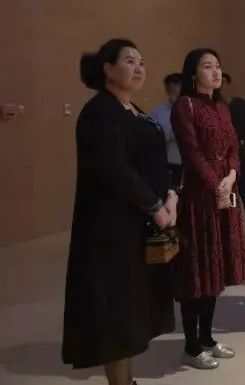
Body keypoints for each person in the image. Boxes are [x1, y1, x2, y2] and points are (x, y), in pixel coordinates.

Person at [62, 39, 176, 385]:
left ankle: (128, 380)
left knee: (130, 308)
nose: (139, 67)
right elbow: (115, 169)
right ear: (107, 69)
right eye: (129, 61)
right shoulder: (101, 111)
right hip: (110, 229)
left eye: (141, 61)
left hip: (134, 225)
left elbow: (151, 161)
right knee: (114, 311)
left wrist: (170, 195)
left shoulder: (132, 109)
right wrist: (155, 206)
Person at [171, 49, 245, 369]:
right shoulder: (185, 105)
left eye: (218, 66)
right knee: (197, 270)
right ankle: (191, 345)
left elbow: (233, 148)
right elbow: (192, 153)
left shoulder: (222, 106)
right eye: (207, 66)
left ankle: (207, 337)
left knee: (216, 270)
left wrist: (230, 177)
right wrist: (216, 184)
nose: (215, 72)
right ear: (193, 73)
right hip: (199, 197)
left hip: (225, 191)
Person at [220, 72, 245, 237]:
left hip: (240, 155)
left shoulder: (241, 105)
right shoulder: (214, 106)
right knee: (229, 193)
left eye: (224, 82)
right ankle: (230, 227)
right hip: (221, 156)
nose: (221, 86)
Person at [150, 73, 183, 191]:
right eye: (173, 91)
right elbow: (151, 138)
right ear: (167, 91)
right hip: (167, 163)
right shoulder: (157, 112)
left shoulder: (194, 110)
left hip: (190, 164)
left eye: (180, 91)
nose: (177, 94)